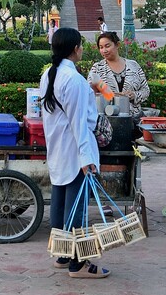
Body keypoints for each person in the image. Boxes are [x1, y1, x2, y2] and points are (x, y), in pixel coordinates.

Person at [40, 27, 110, 279]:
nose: (82, 49)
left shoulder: (49, 74)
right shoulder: (75, 80)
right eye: (80, 45)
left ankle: (62, 255)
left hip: (58, 149)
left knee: (59, 204)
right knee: (77, 209)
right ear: (74, 49)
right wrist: (86, 158)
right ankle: (78, 264)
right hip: (77, 151)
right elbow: (80, 124)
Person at [87, 31, 151, 139]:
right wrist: (110, 96)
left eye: (107, 46)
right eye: (101, 47)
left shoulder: (133, 65)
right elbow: (89, 94)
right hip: (107, 124)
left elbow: (146, 90)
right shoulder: (97, 68)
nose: (104, 50)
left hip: (133, 121)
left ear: (117, 45)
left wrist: (134, 95)